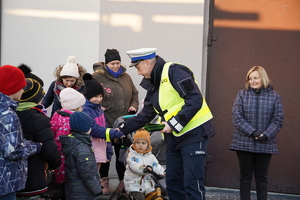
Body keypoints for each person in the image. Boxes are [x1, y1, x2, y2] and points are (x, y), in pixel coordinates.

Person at [119, 48, 215, 200]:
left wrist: (173, 124)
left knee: (192, 183)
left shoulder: (174, 71)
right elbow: (145, 115)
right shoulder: (154, 83)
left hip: (193, 134)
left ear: (147, 63)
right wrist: (119, 130)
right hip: (174, 139)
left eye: (138, 68)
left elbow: (195, 99)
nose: (138, 73)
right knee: (173, 183)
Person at [229, 66, 284, 200]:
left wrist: (266, 134)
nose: (252, 81)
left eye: (256, 78)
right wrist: (253, 132)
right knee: (245, 176)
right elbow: (237, 117)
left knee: (262, 177)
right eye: (250, 78)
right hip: (243, 142)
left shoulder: (275, 96)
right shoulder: (242, 95)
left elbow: (278, 119)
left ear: (263, 78)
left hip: (266, 142)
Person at [92, 49, 139, 193]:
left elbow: (135, 94)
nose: (116, 66)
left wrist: (133, 106)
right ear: (106, 63)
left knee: (122, 155)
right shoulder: (97, 77)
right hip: (105, 123)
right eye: (112, 63)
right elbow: (89, 95)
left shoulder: (126, 77)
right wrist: (98, 106)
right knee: (104, 155)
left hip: (123, 125)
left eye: (118, 63)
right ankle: (104, 182)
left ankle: (122, 183)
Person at [0, 65, 42, 200]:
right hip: (6, 181)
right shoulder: (7, 114)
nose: (23, 90)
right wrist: (35, 146)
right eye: (22, 86)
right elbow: (13, 151)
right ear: (13, 87)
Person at [16, 78, 61, 199]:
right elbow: (49, 149)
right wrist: (55, 164)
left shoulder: (9, 112)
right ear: (35, 98)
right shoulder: (38, 118)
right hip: (33, 178)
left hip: (11, 180)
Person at [82, 73, 124, 188]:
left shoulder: (99, 109)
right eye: (96, 96)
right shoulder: (86, 110)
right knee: (90, 178)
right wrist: (113, 133)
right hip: (90, 150)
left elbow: (104, 129)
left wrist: (108, 151)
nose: (99, 99)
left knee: (95, 176)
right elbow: (94, 129)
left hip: (99, 150)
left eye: (101, 96)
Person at [49, 87, 86, 198]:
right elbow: (65, 142)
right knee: (67, 188)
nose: (83, 109)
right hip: (67, 160)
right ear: (75, 107)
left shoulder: (58, 115)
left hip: (58, 158)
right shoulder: (70, 121)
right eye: (81, 106)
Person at [60, 111, 102, 200]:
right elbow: (86, 173)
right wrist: (97, 189)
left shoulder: (73, 142)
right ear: (85, 128)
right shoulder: (82, 148)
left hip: (73, 191)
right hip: (84, 192)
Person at [124, 129, 165, 200]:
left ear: (148, 144)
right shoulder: (132, 156)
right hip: (134, 185)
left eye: (143, 143)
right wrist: (144, 169)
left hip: (148, 185)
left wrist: (162, 172)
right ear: (134, 143)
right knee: (140, 198)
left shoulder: (151, 156)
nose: (140, 145)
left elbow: (156, 165)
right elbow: (134, 166)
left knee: (156, 195)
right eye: (138, 143)